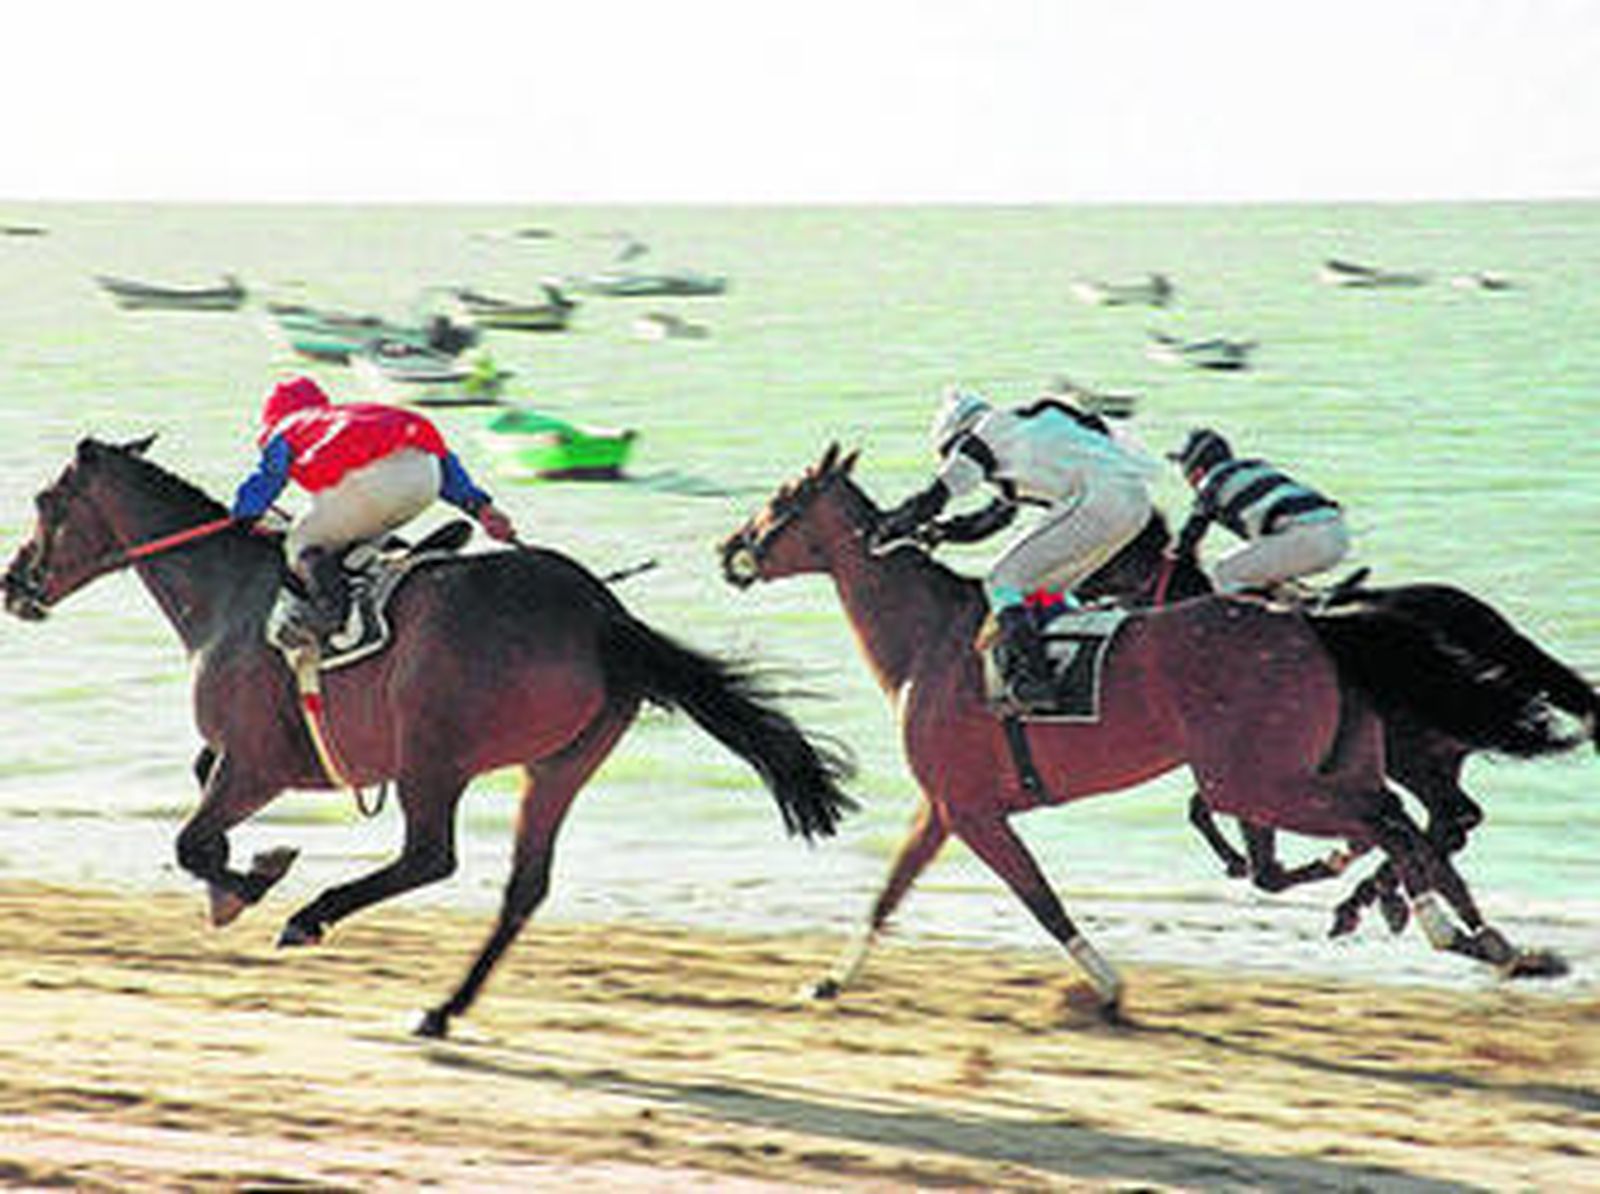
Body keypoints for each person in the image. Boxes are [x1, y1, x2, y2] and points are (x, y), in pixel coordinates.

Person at [874, 387, 1159, 704]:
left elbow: (938, 494)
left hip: (1100, 499)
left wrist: (891, 525)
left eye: (952, 453)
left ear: (959, 435)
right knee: (1045, 591)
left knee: (1002, 582)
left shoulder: (986, 434)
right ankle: (1077, 662)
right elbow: (990, 521)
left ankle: (1035, 679)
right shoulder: (1018, 435)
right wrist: (939, 533)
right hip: (1135, 504)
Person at [231, 376, 517, 634]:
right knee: (358, 528)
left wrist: (244, 517)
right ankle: (392, 552)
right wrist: (481, 509)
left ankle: (331, 612)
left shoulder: (286, 427)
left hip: (373, 486)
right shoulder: (352, 414)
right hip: (426, 478)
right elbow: (446, 463)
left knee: (299, 546)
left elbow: (269, 476)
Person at [1168, 427, 1349, 595]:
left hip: (1306, 538)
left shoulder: (1211, 483)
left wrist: (1171, 555)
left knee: (1222, 572)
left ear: (1196, 471)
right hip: (1337, 532)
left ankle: (1251, 627)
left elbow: (1190, 536)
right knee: (1253, 566)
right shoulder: (1255, 469)